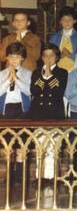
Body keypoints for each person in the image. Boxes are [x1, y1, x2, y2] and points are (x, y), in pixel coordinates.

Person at [29, 43, 68, 179]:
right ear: (41, 57)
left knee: (53, 147)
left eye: (51, 55)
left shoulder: (62, 72)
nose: (48, 58)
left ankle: (51, 177)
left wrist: (49, 76)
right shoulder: (36, 72)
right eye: (45, 55)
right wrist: (43, 76)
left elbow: (58, 91)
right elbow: (33, 91)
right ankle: (40, 176)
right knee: (40, 147)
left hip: (54, 113)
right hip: (38, 113)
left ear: (57, 57)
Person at [0, 42, 32, 182]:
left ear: (22, 58)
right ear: (7, 57)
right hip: (7, 110)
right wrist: (8, 80)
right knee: (8, 145)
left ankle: (21, 174)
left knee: (22, 144)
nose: (14, 60)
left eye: (17, 57)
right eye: (11, 57)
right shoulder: (1, 74)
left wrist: (17, 79)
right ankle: (9, 174)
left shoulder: (28, 73)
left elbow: (29, 91)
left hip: (22, 110)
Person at [49, 7, 77, 72]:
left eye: (70, 19)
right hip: (57, 71)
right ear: (60, 21)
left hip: (75, 71)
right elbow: (48, 56)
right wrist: (59, 56)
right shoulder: (54, 38)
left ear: (74, 21)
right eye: (64, 19)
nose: (67, 22)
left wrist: (70, 55)